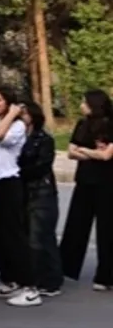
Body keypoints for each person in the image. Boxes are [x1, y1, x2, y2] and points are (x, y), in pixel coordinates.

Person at [0, 88, 42, 307]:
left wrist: (13, 114)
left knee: (13, 236)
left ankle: (30, 287)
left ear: (9, 103)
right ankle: (9, 279)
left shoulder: (17, 126)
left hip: (6, 182)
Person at [60, 89, 113, 291]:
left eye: (84, 102)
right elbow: (71, 152)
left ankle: (106, 276)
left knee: (107, 229)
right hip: (84, 180)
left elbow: (106, 156)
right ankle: (66, 268)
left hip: (107, 183)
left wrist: (83, 151)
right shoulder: (82, 124)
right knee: (76, 224)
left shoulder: (110, 125)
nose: (81, 105)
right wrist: (91, 152)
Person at [17, 100, 63, 296]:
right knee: (28, 236)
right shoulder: (17, 137)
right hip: (23, 192)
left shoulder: (43, 139)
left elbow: (42, 166)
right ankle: (34, 277)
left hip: (40, 192)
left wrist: (17, 172)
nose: (20, 118)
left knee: (41, 237)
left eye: (24, 114)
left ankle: (50, 281)